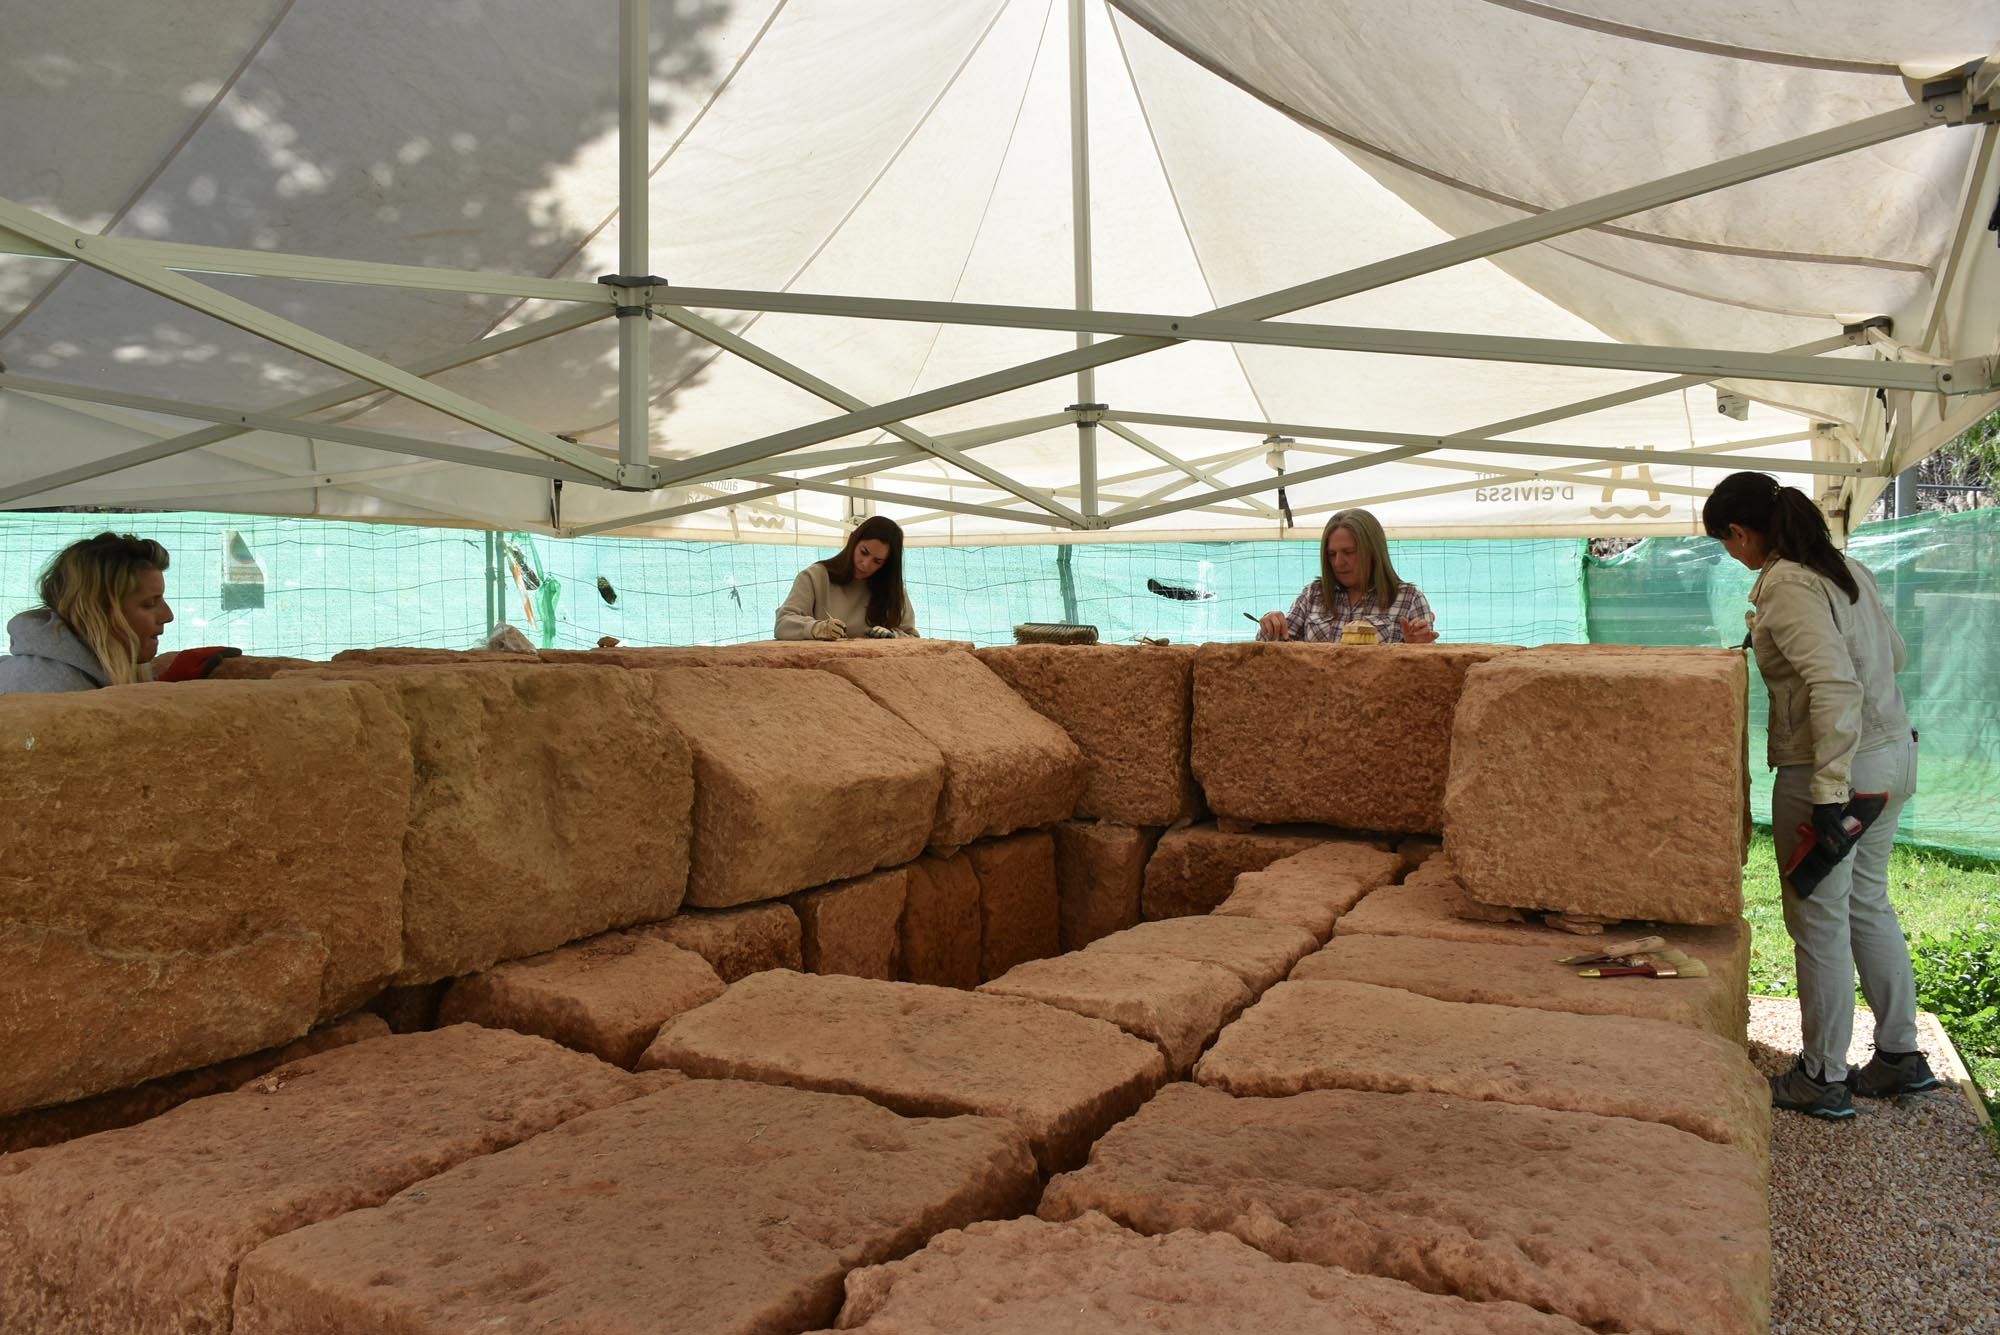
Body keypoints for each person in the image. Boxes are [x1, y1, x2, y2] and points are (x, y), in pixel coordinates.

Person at [1704, 471, 1937, 1119]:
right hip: (1891, 759)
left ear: (1742, 533)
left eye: (1727, 542)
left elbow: (1835, 686)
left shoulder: (1786, 585)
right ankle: (1899, 1055)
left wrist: (1830, 796)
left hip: (1834, 775)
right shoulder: (1846, 570)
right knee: (1868, 904)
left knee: (1820, 923)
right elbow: (1892, 653)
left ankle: (1822, 1076)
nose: (1732, 554)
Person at [0, 532, 236, 693]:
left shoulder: (78, 672)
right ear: (99, 613)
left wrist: (165, 686)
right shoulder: (53, 689)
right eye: (148, 604)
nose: (168, 615)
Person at [1256, 508, 1439, 643]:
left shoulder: (1409, 599)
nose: (1338, 563)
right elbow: (1275, 650)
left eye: (1349, 552)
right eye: (1332, 554)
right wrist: (1270, 624)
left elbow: (1425, 670)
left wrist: (1417, 645)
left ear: (1373, 552)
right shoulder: (1313, 595)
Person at [775, 516, 918, 641]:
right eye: (864, 552)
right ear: (853, 541)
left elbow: (912, 637)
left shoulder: (893, 590)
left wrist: (893, 637)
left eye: (877, 561)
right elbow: (783, 624)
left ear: (887, 565)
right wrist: (816, 629)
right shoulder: (815, 577)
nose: (865, 564)